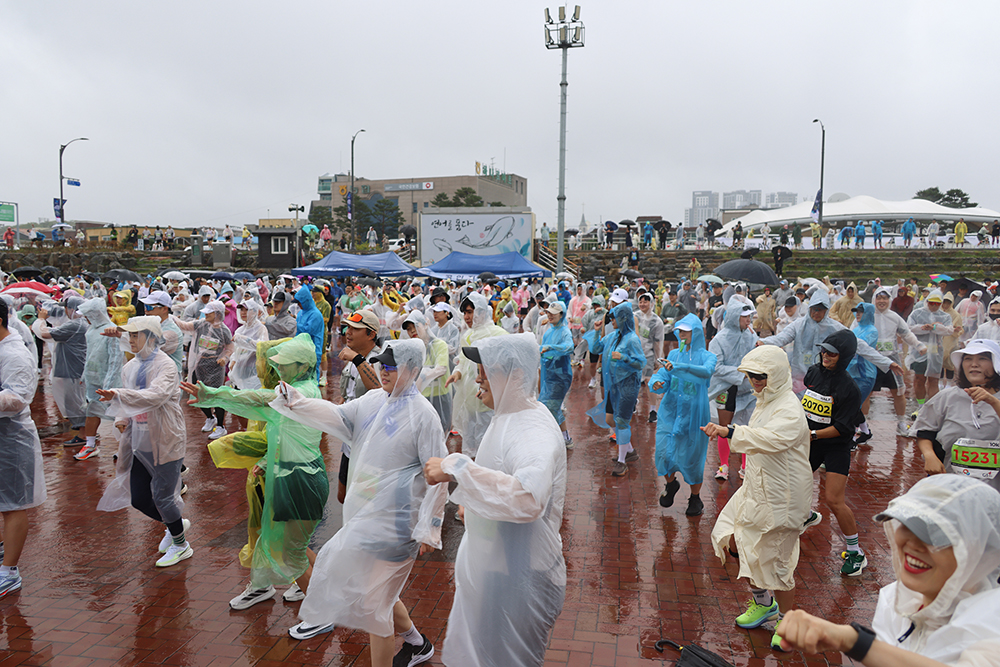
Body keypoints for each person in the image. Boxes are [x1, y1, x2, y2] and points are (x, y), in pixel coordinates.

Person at [270, 340, 445, 667]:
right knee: (378, 590)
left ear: (412, 369)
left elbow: (438, 474)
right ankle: (417, 643)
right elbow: (337, 416)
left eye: (391, 366)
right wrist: (297, 402)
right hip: (366, 515)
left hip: (398, 524)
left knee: (376, 605)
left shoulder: (424, 416)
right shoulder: (373, 400)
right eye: (382, 365)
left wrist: (430, 527)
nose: (383, 371)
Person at [423, 334, 567, 667]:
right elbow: (500, 478)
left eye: (486, 370)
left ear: (516, 375)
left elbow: (528, 498)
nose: (478, 378)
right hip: (503, 571)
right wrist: (474, 502)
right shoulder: (509, 416)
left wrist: (457, 468)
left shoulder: (532, 430)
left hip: (520, 581)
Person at [778, 475, 1000, 665]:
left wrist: (853, 641)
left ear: (981, 552)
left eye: (936, 536)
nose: (913, 544)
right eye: (908, 525)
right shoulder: (895, 599)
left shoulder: (992, 622)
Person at [182, 334, 327, 610]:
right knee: (292, 545)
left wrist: (215, 395)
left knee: (290, 553)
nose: (277, 368)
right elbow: (283, 434)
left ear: (302, 366)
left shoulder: (299, 393)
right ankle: (322, 588)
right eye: (275, 363)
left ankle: (321, 612)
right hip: (291, 477)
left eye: (284, 364)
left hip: (301, 480)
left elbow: (260, 399)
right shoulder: (295, 387)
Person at [702, 345, 811, 651]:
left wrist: (730, 432)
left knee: (779, 564)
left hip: (784, 496)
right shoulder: (765, 400)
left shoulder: (789, 408)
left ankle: (786, 623)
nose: (755, 381)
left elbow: (770, 439)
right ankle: (764, 604)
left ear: (775, 374)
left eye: (761, 376)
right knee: (737, 541)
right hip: (756, 488)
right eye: (750, 375)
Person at [96, 317, 191, 567]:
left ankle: (181, 545)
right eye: (129, 335)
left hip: (164, 438)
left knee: (163, 496)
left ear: (150, 337)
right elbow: (128, 403)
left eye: (135, 335)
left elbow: (155, 396)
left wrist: (119, 395)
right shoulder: (131, 367)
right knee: (138, 498)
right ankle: (175, 524)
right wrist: (121, 418)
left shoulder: (166, 365)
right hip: (139, 440)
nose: (130, 340)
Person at [803, 330, 869, 576]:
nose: (825, 355)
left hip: (836, 445)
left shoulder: (850, 389)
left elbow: (842, 428)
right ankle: (806, 515)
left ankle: (855, 552)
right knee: (790, 482)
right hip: (811, 441)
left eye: (832, 353)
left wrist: (812, 435)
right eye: (823, 350)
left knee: (833, 500)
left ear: (845, 357)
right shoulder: (813, 372)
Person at [0, 300, 46, 597]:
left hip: (11, 439)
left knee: (13, 505)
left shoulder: (15, 354)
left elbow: (17, 399)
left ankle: (9, 572)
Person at [650, 314, 717, 516]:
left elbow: (706, 372)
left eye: (686, 331)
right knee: (663, 452)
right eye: (680, 331)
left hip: (695, 414)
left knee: (694, 456)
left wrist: (679, 368)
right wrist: (658, 382)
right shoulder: (673, 355)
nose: (682, 335)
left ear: (696, 332)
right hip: (670, 411)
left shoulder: (707, 356)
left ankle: (695, 498)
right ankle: (671, 484)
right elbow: (663, 375)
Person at [912, 339, 1000, 492]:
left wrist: (992, 401)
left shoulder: (996, 400)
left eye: (982, 358)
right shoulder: (947, 397)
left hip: (994, 490)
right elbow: (924, 431)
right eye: (968, 359)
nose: (974, 364)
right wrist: (929, 455)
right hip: (950, 485)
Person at [585, 302, 645, 476]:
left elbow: (640, 362)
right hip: (613, 385)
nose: (612, 321)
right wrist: (597, 331)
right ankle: (630, 451)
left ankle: (621, 462)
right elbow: (596, 348)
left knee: (621, 422)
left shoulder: (632, 339)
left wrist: (624, 357)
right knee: (611, 420)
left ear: (624, 319)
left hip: (627, 386)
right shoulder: (613, 336)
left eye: (615, 318)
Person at [446, 293, 507, 459]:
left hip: (488, 396)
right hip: (469, 395)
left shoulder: (498, 334)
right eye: (464, 313)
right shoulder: (467, 335)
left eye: (470, 312)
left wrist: (490, 386)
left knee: (488, 436)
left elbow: (504, 366)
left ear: (481, 312)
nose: (466, 317)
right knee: (470, 435)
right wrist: (457, 372)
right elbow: (463, 360)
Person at [709, 301, 758, 480]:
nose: (748, 320)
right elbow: (716, 367)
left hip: (747, 389)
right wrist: (741, 373)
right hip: (726, 388)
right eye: (744, 317)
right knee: (724, 426)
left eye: (749, 316)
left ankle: (745, 466)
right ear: (734, 318)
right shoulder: (719, 340)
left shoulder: (751, 335)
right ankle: (723, 465)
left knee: (746, 427)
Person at [173, 300, 234, 439]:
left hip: (215, 368)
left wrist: (224, 358)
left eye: (209, 313)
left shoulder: (224, 331)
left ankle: (220, 426)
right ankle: (210, 418)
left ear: (217, 314)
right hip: (200, 365)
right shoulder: (201, 324)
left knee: (216, 396)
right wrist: (172, 318)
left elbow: (230, 347)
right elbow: (184, 326)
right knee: (198, 393)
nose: (205, 315)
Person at [402, 310, 452, 434]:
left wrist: (423, 377)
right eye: (408, 329)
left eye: (415, 326)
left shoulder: (439, 345)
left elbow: (441, 369)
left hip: (439, 397)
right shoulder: (413, 350)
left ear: (425, 325)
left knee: (440, 432)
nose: (412, 331)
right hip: (421, 398)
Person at [907, 290, 954, 405]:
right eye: (931, 303)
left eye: (937, 303)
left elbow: (949, 330)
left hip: (935, 353)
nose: (934, 306)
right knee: (919, 379)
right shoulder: (917, 313)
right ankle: (921, 405)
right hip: (919, 352)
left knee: (933, 380)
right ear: (927, 302)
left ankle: (933, 407)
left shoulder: (945, 316)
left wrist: (935, 328)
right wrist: (923, 328)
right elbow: (908, 328)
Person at [539, 301, 574, 448]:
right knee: (551, 407)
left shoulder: (565, 331)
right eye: (548, 312)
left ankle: (556, 439)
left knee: (550, 407)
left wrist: (552, 347)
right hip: (549, 375)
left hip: (561, 376)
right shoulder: (549, 332)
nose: (550, 315)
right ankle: (565, 437)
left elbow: (569, 347)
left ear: (562, 314)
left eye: (553, 313)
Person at [633, 293, 664, 422]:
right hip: (634, 355)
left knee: (648, 381)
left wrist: (657, 359)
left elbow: (658, 342)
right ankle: (633, 402)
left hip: (648, 355)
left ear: (651, 303)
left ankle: (652, 410)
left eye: (646, 301)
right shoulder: (634, 316)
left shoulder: (657, 321)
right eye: (640, 301)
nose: (642, 304)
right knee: (633, 380)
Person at [293, 285, 324, 381]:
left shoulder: (315, 314)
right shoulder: (301, 312)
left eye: (300, 302)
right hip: (301, 349)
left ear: (305, 301)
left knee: (311, 378)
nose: (298, 305)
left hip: (312, 350)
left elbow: (308, 331)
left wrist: (294, 324)